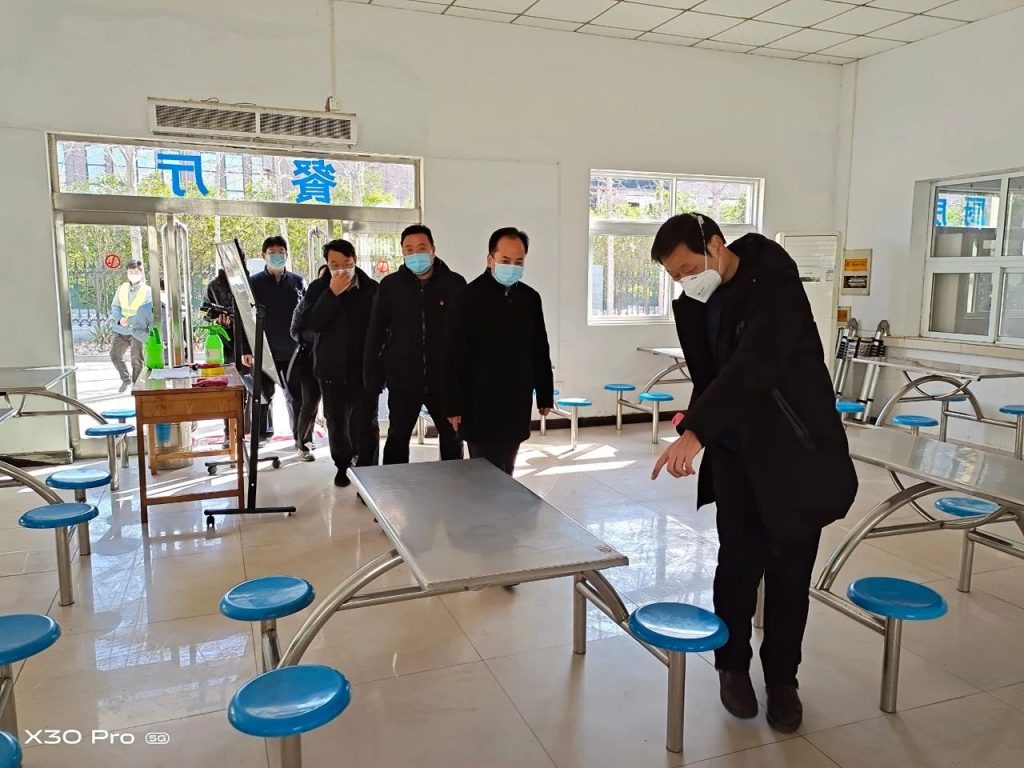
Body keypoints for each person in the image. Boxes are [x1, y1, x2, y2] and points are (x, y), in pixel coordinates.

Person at [649, 213, 858, 734]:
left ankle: (783, 680)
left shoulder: (776, 286)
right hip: (736, 456)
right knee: (737, 565)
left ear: (716, 246)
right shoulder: (695, 304)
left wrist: (695, 431)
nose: (685, 282)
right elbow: (711, 377)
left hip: (795, 455)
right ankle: (732, 665)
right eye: (674, 276)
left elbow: (755, 367)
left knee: (790, 574)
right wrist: (698, 426)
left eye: (687, 269)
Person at [445, 227, 554, 475]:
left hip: (516, 400)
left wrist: (545, 393)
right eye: (505, 260)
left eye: (519, 262)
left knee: (507, 468)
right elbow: (453, 354)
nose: (512, 267)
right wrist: (452, 404)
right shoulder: (467, 297)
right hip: (478, 403)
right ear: (490, 259)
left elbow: (539, 348)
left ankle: (505, 500)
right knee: (484, 474)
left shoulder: (529, 298)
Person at [364, 225, 466, 465]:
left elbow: (465, 336)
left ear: (433, 249)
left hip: (444, 382)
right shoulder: (390, 286)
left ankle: (455, 483)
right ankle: (394, 485)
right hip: (403, 381)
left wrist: (464, 379)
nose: (415, 254)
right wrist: (372, 377)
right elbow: (375, 333)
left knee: (452, 438)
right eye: (409, 249)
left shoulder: (454, 283)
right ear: (402, 252)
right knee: (397, 438)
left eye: (421, 248)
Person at [292, 240, 379, 487]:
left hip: (364, 369)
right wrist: (331, 294)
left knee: (366, 422)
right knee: (337, 422)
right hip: (331, 368)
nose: (341, 269)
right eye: (334, 265)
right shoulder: (318, 288)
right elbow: (311, 324)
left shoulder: (371, 288)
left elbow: (382, 327)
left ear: (355, 261)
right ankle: (342, 465)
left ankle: (369, 471)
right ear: (327, 264)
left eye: (346, 263)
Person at [245, 236, 305, 447]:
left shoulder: (298, 281)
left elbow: (306, 314)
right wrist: (246, 349)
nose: (277, 256)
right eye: (272, 253)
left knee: (296, 397)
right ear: (263, 255)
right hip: (263, 350)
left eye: (281, 252)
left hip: (292, 351)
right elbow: (245, 318)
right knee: (262, 396)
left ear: (286, 254)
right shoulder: (254, 283)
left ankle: (301, 437)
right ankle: (261, 436)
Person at [288, 264, 329, 461]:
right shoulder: (305, 304)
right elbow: (294, 331)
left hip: (337, 363)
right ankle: (303, 444)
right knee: (309, 405)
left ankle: (350, 449)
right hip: (309, 362)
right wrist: (314, 336)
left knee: (340, 408)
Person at [109, 259, 153, 393]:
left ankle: (137, 385)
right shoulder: (121, 288)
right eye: (130, 272)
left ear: (141, 273)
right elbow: (115, 306)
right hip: (121, 329)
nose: (132, 274)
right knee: (115, 355)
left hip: (137, 330)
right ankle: (126, 379)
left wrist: (131, 320)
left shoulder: (147, 291)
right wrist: (120, 319)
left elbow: (146, 311)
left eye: (135, 272)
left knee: (136, 360)